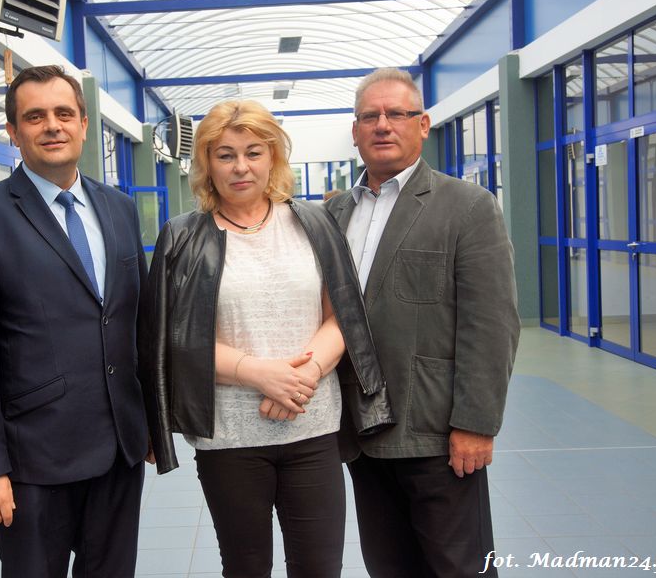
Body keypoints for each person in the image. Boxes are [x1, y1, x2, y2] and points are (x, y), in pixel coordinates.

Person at [140, 100, 392, 578]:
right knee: (246, 567)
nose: (241, 167)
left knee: (320, 567)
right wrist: (259, 374)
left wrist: (304, 375)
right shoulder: (182, 237)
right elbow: (173, 339)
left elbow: (343, 316)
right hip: (229, 438)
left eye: (253, 152)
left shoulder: (314, 223)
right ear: (207, 164)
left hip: (313, 427)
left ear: (273, 157)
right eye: (226, 155)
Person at [0, 65, 149, 578]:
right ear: (13, 132)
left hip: (118, 452)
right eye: (35, 117)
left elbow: (137, 326)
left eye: (63, 113)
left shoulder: (120, 209)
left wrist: (150, 428)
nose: (52, 125)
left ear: (83, 125)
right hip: (32, 462)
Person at [324, 68, 521, 577]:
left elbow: (491, 324)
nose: (382, 125)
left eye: (397, 113)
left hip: (436, 433)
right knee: (388, 565)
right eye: (370, 116)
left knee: (458, 566)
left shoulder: (467, 207)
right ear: (355, 131)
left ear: (424, 124)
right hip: (361, 432)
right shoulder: (334, 213)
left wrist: (475, 424)